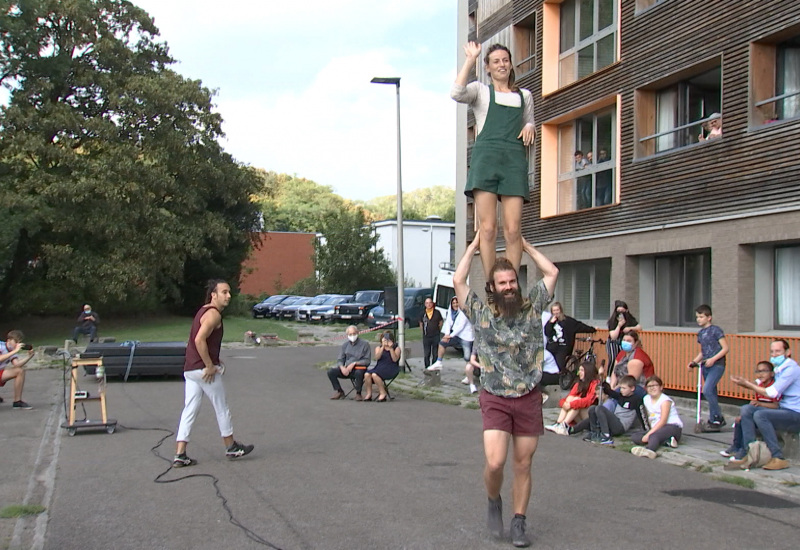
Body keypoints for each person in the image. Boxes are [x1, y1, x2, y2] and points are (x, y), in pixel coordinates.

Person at [454, 232, 558, 548]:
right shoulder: (481, 313)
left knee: (523, 464)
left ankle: (519, 522)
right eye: (502, 283)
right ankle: (493, 499)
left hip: (528, 396)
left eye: (512, 281)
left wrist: (525, 246)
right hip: (495, 397)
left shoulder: (532, 307)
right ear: (493, 288)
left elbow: (551, 272)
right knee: (496, 462)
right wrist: (472, 247)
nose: (509, 286)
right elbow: (459, 281)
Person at [451, 42, 535, 286]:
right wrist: (471, 59)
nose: (502, 64)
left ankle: (511, 285)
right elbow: (456, 93)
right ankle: (492, 286)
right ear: (488, 67)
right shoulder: (480, 91)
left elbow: (529, 121)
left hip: (513, 162)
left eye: (505, 60)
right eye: (496, 61)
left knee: (513, 229)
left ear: (510, 65)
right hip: (486, 160)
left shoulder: (524, 96)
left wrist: (530, 126)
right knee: (487, 229)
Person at [173, 280, 254, 468]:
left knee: (189, 410)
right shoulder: (213, 315)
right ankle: (231, 447)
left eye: (229, 292)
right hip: (203, 371)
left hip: (191, 369)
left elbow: (202, 342)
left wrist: (215, 359)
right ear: (214, 295)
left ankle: (180, 454)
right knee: (221, 407)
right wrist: (210, 365)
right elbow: (199, 339)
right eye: (224, 292)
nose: (228, 296)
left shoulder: (203, 311)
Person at [728, 339, 800, 471]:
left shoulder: (791, 369)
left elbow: (772, 392)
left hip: (795, 413)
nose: (774, 355)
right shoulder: (779, 368)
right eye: (772, 352)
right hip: (782, 409)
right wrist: (745, 383)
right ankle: (749, 451)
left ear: (788, 352)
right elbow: (762, 383)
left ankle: (778, 457)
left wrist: (748, 385)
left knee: (761, 415)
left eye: (778, 351)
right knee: (747, 409)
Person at [720, 361, 779, 459]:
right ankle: (736, 446)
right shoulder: (759, 384)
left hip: (770, 414)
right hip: (759, 411)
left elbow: (777, 406)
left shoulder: (775, 386)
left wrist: (760, 404)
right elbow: (751, 387)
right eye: (758, 371)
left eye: (764, 371)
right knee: (740, 420)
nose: (761, 374)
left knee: (747, 414)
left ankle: (747, 449)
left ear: (772, 373)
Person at [688, 304, 729, 430]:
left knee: (706, 389)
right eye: (697, 317)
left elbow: (725, 348)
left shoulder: (716, 330)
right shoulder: (700, 333)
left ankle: (718, 417)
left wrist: (713, 359)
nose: (698, 319)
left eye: (701, 317)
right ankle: (713, 420)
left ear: (709, 317)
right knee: (711, 392)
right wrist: (693, 362)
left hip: (717, 365)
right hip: (705, 365)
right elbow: (703, 351)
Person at [575, 375, 646, 445]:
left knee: (600, 408)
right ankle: (595, 433)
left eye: (624, 388)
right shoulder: (621, 396)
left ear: (632, 388)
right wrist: (603, 383)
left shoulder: (636, 399)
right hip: (614, 422)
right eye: (620, 388)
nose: (621, 390)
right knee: (592, 408)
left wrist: (645, 430)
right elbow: (609, 392)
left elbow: (641, 414)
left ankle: (606, 436)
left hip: (620, 427)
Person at [629, 375, 683, 459]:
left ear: (661, 387)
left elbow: (663, 421)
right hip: (657, 428)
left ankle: (650, 450)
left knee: (653, 436)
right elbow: (649, 416)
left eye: (655, 385)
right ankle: (667, 441)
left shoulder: (665, 400)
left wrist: (649, 434)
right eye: (649, 386)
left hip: (672, 426)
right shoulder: (646, 399)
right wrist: (649, 431)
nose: (652, 388)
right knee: (635, 436)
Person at [544, 362, 599, 436]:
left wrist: (571, 404)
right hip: (578, 414)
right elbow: (567, 398)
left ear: (588, 371)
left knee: (576, 400)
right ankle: (559, 423)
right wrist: (565, 404)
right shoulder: (578, 384)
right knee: (571, 398)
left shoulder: (595, 384)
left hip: (589, 417)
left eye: (582, 370)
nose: (579, 373)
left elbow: (589, 401)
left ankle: (564, 425)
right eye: (579, 370)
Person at [544, 302, 596, 374]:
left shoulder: (568, 321)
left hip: (563, 347)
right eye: (554, 311)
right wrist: (550, 323)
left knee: (559, 365)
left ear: (561, 310)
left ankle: (563, 376)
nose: (556, 312)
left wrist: (592, 329)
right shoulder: (550, 321)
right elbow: (547, 332)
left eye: (557, 310)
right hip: (551, 347)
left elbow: (579, 326)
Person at [428, 296, 474, 372]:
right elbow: (448, 322)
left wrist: (450, 336)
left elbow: (461, 326)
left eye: (457, 303)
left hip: (466, 337)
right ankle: (439, 362)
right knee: (442, 343)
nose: (455, 305)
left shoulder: (464, 311)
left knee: (467, 357)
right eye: (453, 303)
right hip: (456, 335)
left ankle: (469, 375)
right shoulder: (451, 311)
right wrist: (447, 334)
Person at [327, 325, 372, 401]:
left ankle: (358, 393)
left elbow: (367, 361)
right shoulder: (345, 345)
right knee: (331, 372)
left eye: (354, 334)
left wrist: (354, 363)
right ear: (347, 335)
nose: (352, 336)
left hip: (359, 368)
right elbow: (340, 359)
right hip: (347, 369)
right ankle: (339, 391)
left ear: (357, 333)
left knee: (359, 373)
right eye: (350, 334)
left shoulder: (365, 344)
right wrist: (342, 367)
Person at [0, 330, 35, 409]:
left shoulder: (12, 350)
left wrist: (29, 357)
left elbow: (17, 364)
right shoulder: (1, 346)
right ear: (9, 340)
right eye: (15, 342)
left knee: (19, 371)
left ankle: (17, 401)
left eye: (19, 342)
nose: (17, 344)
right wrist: (14, 351)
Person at [605, 300, 641, 374]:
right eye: (619, 311)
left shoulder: (630, 319)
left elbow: (639, 327)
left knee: (623, 358)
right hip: (613, 342)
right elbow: (613, 336)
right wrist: (619, 325)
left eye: (623, 311)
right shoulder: (612, 321)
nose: (621, 313)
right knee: (613, 358)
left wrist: (630, 328)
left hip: (624, 341)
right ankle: (609, 375)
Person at [363, 331, 400, 403]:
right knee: (367, 374)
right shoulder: (378, 348)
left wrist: (391, 348)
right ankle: (369, 394)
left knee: (374, 375)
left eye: (388, 339)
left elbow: (395, 359)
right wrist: (383, 347)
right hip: (380, 367)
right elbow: (377, 358)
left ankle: (383, 393)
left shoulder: (397, 348)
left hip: (391, 368)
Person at [419, 297, 443, 369]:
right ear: (425, 304)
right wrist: (423, 331)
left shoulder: (437, 312)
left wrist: (438, 328)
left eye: (430, 303)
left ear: (432, 303)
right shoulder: (422, 313)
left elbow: (441, 321)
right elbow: (420, 323)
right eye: (427, 303)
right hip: (426, 336)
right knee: (427, 353)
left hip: (435, 335)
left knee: (435, 353)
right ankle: (427, 367)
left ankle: (434, 366)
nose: (429, 304)